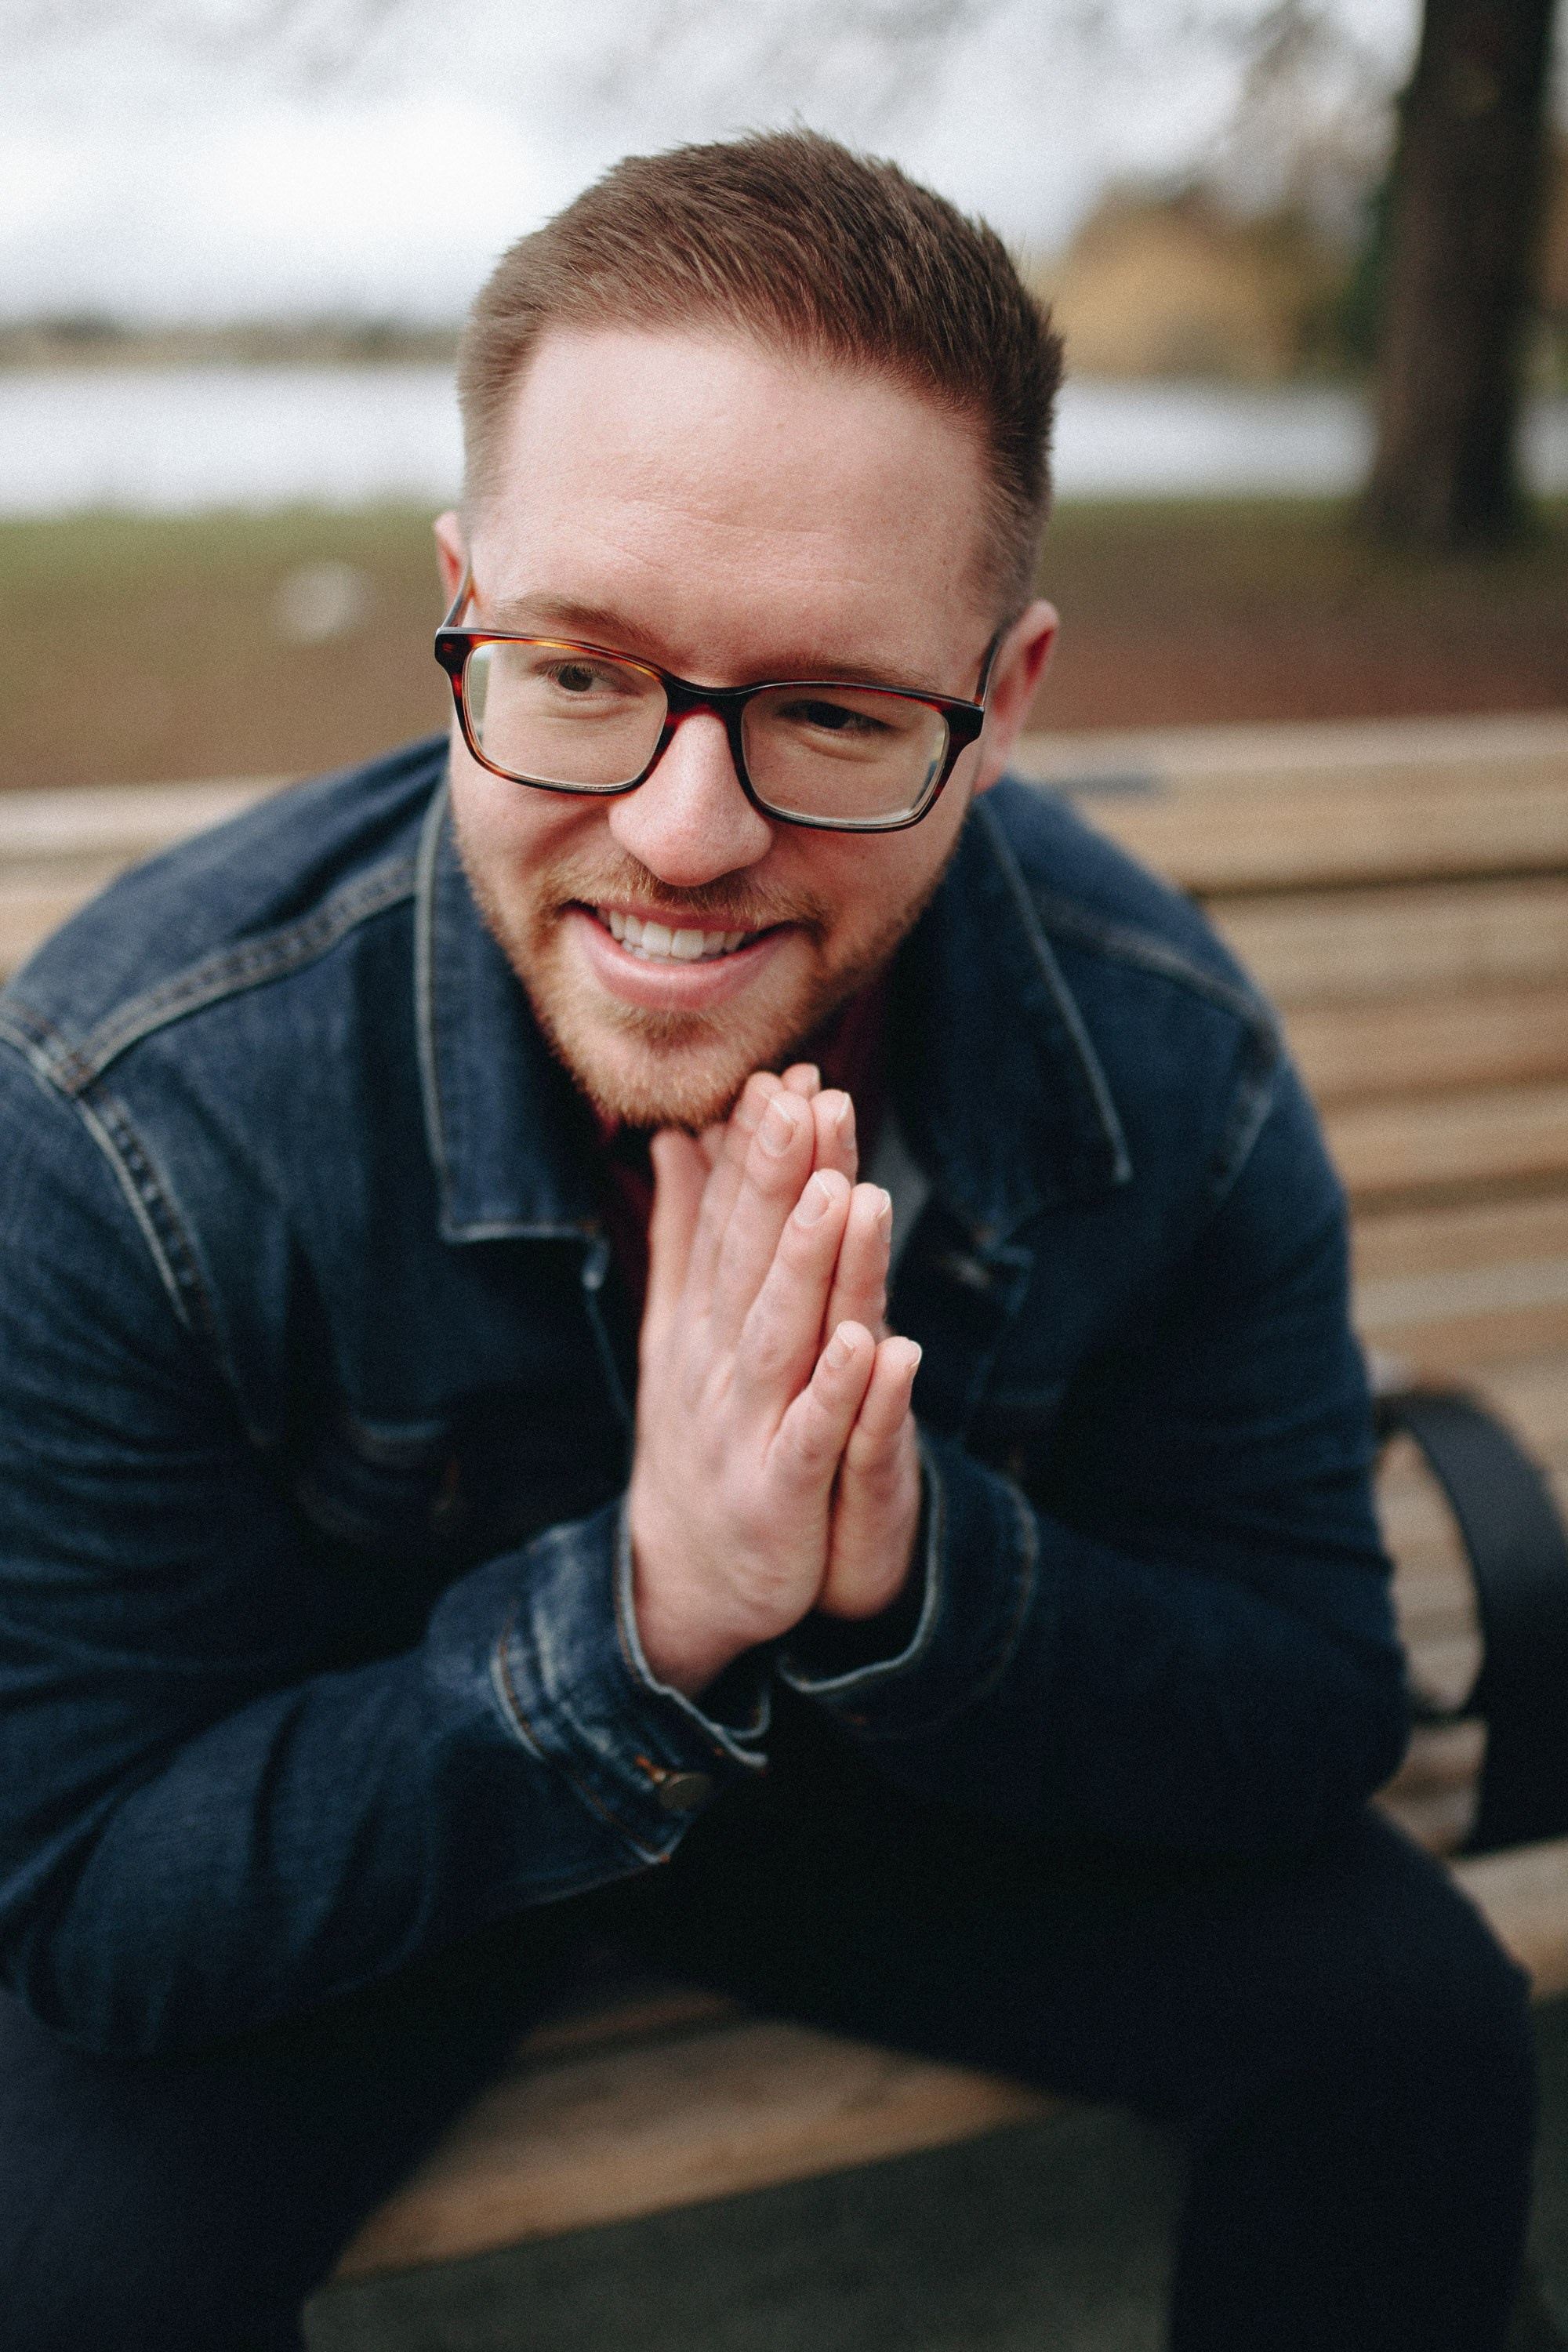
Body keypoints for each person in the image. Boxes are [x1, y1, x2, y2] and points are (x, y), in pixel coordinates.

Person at [0, 132, 1535, 2352]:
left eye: (828, 708)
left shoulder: (1163, 1055)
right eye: (581, 669)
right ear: (461, 604)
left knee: (1412, 2026)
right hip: (371, 1825)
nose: (683, 832)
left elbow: (1306, 1704)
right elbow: (89, 1898)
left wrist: (910, 1574)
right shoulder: (129, 1105)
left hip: (901, 1790)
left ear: (997, 707)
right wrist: (638, 1618)